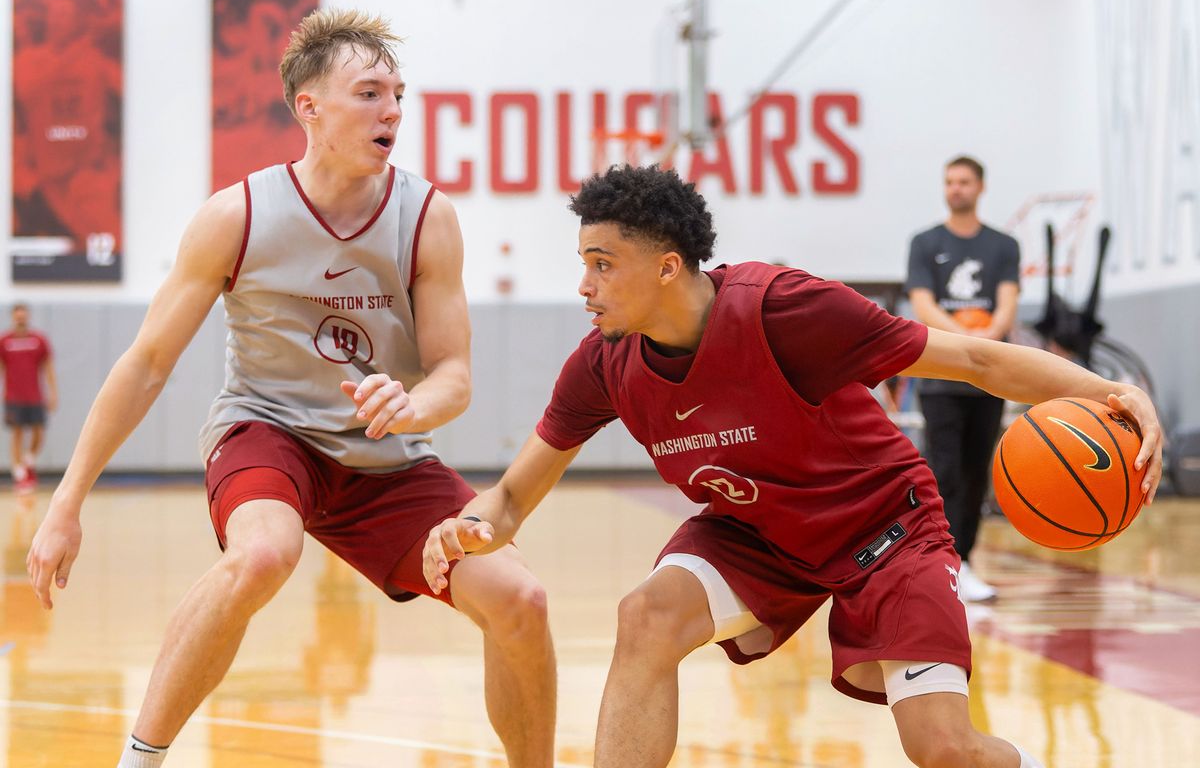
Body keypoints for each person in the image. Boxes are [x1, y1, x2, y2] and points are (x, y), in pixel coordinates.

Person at [423, 165, 1162, 768]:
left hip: (886, 529)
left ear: (668, 266)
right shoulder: (603, 364)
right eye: (583, 264)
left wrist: (1111, 392)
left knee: (944, 749)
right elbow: (514, 495)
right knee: (646, 615)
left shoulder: (788, 312)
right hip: (758, 534)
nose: (584, 286)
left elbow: (971, 357)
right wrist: (471, 527)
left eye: (602, 264)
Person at [26, 10, 555, 768]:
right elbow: (145, 363)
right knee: (264, 554)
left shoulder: (426, 217)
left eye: (398, 94)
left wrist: (415, 404)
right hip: (269, 433)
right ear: (309, 107)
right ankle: (139, 761)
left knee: (522, 601)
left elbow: (454, 376)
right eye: (370, 93)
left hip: (386, 457)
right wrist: (67, 502)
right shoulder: (237, 216)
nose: (393, 112)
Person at [905, 156, 1021, 602]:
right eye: (949, 181)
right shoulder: (925, 242)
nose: (956, 188)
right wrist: (966, 340)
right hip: (941, 375)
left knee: (976, 474)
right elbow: (923, 305)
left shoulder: (1003, 246)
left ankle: (964, 562)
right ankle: (938, 561)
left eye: (964, 181)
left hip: (990, 377)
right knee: (942, 472)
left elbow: (1007, 303)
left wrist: (988, 340)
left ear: (980, 187)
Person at [2, 303, 57, 494]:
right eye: (17, 316)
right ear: (12, 317)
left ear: (28, 317)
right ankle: (20, 475)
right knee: (17, 434)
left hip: (35, 395)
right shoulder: (5, 341)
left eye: (23, 316)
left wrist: (53, 392)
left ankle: (28, 461)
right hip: (13, 396)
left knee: (38, 432)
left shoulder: (38, 340)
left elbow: (48, 368)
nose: (21, 319)